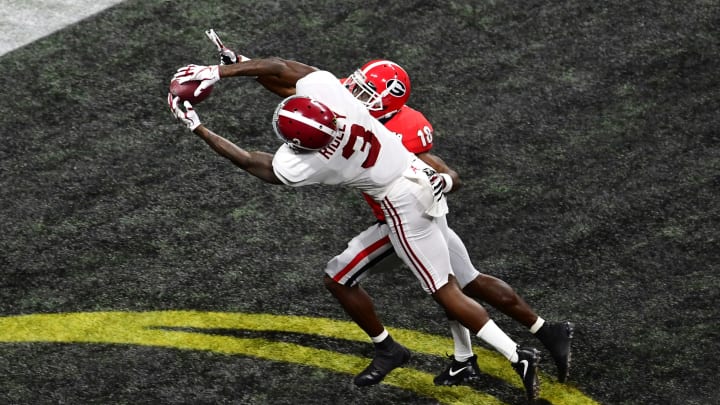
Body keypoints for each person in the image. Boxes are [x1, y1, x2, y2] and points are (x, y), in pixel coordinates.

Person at [168, 58, 544, 402]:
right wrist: (226, 70)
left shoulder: (316, 164)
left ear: (300, 147)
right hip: (419, 183)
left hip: (402, 208)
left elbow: (253, 162)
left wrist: (197, 126)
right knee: (451, 280)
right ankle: (481, 354)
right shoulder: (344, 104)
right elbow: (285, 70)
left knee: (444, 290)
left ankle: (516, 354)